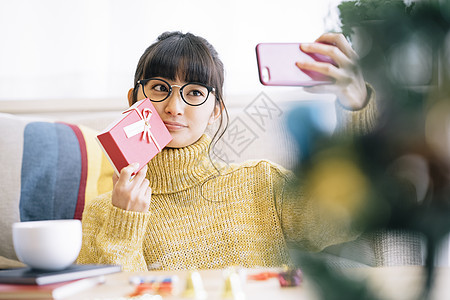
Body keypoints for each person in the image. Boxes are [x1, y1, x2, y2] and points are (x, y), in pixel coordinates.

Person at [77, 31, 377, 271]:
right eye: (159, 88)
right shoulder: (104, 212)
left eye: (194, 92)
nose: (174, 108)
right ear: (134, 99)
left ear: (216, 110)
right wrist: (123, 222)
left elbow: (349, 218)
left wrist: (356, 108)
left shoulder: (261, 182)